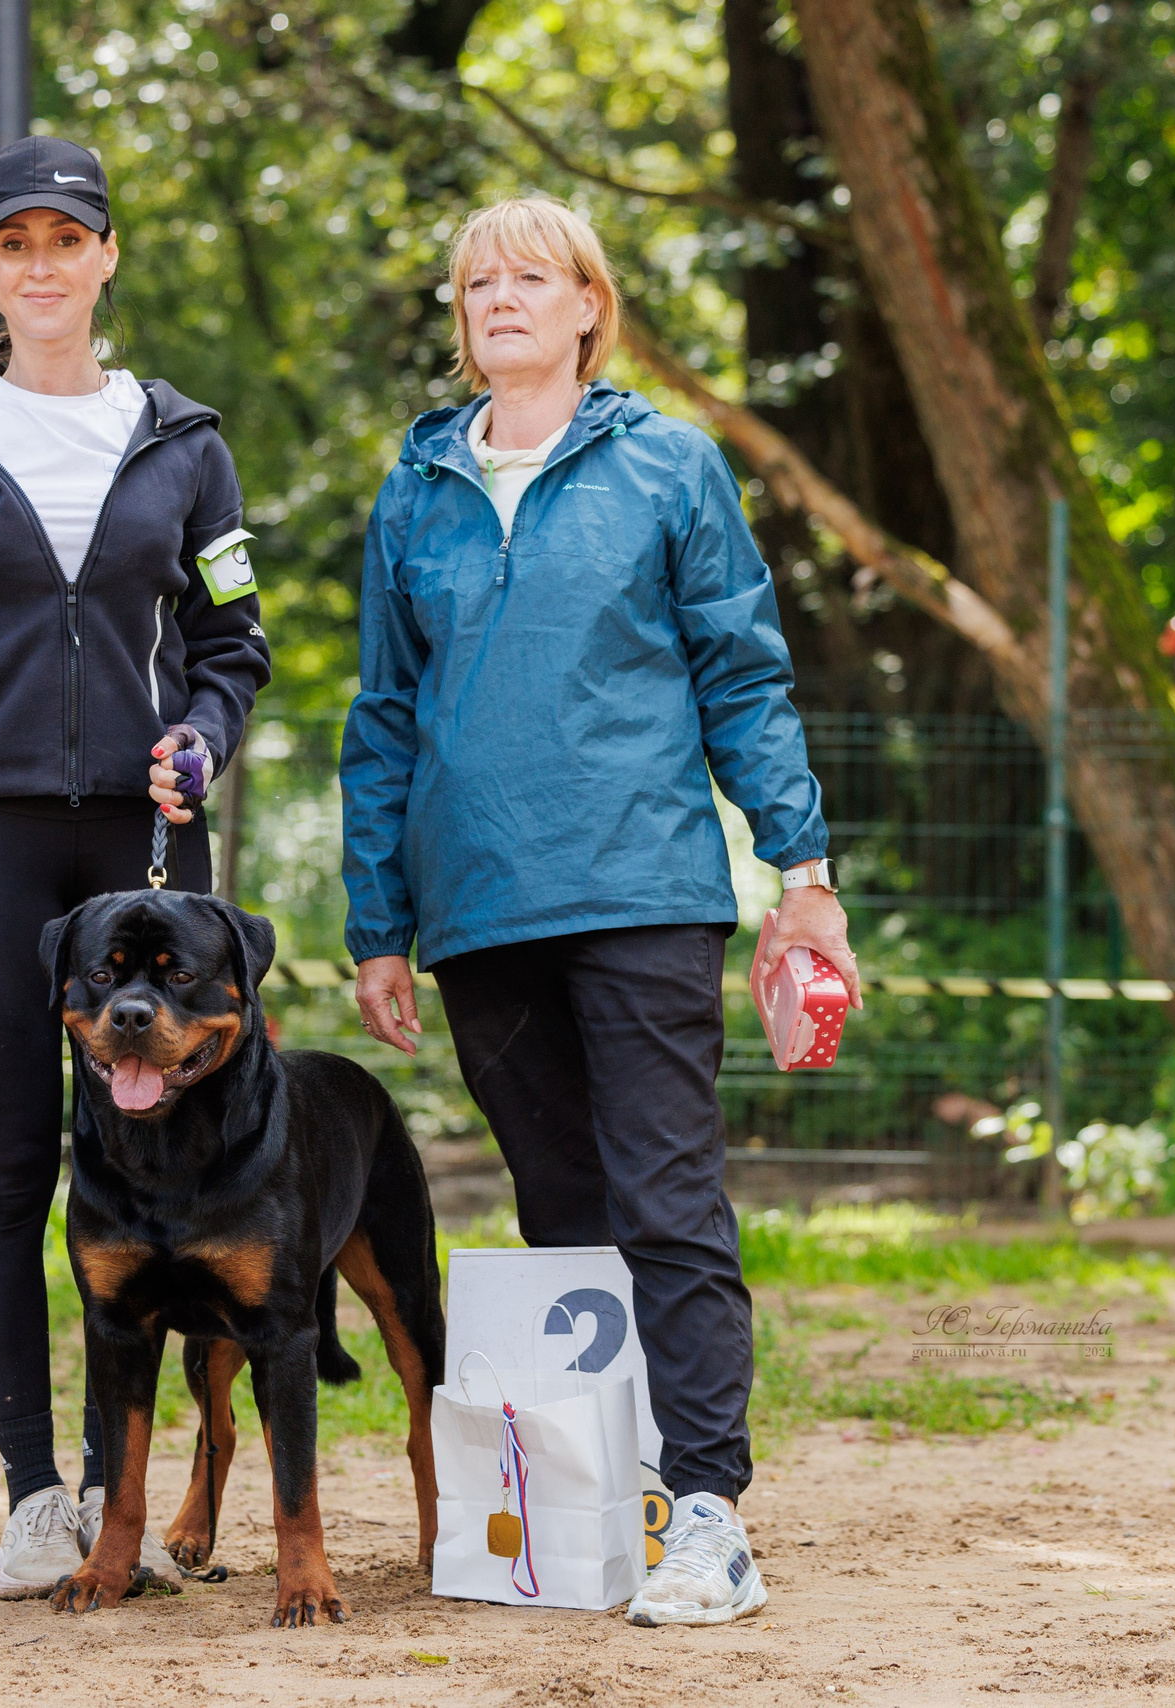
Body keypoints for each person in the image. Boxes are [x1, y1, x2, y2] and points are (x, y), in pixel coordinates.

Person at [340, 195, 857, 1629]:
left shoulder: (670, 469)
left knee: (667, 1197)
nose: (498, 297)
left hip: (641, 889)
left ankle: (708, 1513)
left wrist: (800, 874)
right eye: (475, 283)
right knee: (562, 1210)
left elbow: (743, 678)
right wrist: (377, 921)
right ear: (462, 322)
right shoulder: (416, 489)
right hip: (477, 910)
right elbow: (383, 718)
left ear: (586, 306)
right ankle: (606, 1494)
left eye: (530, 276)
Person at [0, 135, 272, 1599]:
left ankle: (122, 1486)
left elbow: (232, 641)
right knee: (14, 1161)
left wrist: (201, 735)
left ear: (106, 255)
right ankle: (36, 1493)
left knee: (167, 1168)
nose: (40, 267)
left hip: (149, 846)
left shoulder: (187, 443)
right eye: (11, 245)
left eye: (64, 240)